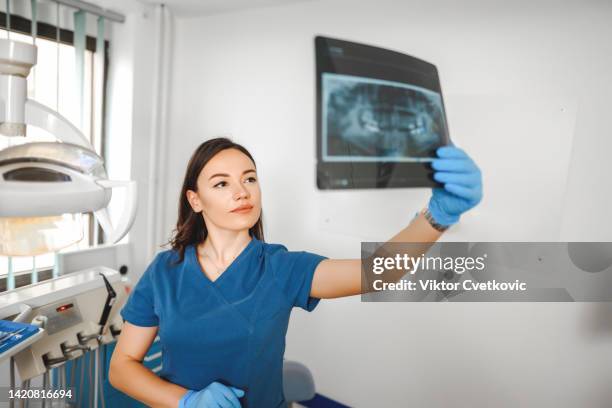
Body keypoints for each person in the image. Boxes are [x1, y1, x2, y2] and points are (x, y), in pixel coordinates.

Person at [108, 137, 482, 408]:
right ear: (195, 200)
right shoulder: (164, 272)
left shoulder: (281, 268)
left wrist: (438, 215)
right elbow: (122, 368)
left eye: (249, 178)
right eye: (222, 183)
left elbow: (377, 273)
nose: (241, 191)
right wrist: (186, 401)